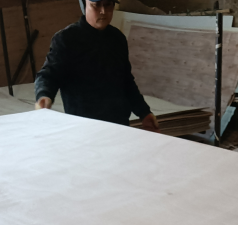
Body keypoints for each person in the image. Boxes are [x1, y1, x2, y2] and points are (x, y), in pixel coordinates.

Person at [33, 0, 160, 132]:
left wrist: (144, 113)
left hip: (119, 126)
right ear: (84, 5)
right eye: (96, 5)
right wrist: (44, 95)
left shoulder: (118, 39)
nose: (103, 11)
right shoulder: (67, 39)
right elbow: (48, 75)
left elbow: (126, 82)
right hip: (84, 128)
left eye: (108, 4)